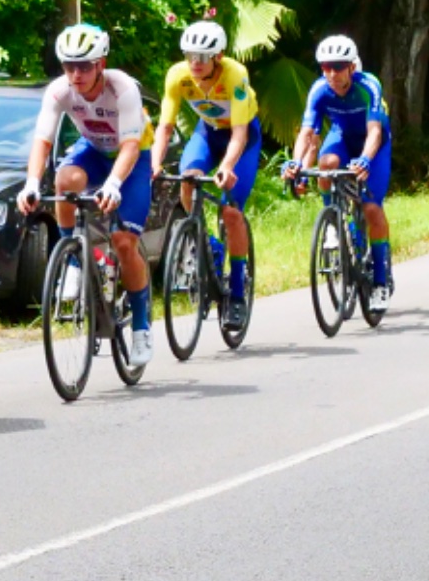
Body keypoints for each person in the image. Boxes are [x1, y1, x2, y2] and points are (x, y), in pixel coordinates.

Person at [23, 23, 155, 364]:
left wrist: (113, 184)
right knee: (65, 180)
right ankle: (72, 257)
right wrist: (32, 183)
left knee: (123, 242)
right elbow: (42, 141)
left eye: (84, 66)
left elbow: (130, 146)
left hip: (132, 156)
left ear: (101, 64)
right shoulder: (59, 91)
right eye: (69, 66)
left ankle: (141, 327)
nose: (76, 74)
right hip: (94, 150)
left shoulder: (122, 88)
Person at [151, 19, 258, 318]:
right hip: (207, 133)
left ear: (218, 57)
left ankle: (237, 292)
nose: (195, 62)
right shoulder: (178, 75)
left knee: (231, 213)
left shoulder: (235, 74)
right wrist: (155, 164)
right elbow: (165, 127)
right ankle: (209, 244)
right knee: (187, 179)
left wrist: (226, 166)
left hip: (242, 138)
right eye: (190, 55)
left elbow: (240, 133)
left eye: (202, 56)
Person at [290, 35, 394, 308]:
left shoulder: (368, 86)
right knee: (326, 164)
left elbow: (374, 132)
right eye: (326, 67)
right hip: (343, 137)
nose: (332, 73)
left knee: (371, 208)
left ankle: (380, 282)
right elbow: (307, 134)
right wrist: (297, 165)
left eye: (338, 67)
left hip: (373, 144)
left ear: (351, 67)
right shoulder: (319, 90)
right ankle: (333, 221)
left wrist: (366, 159)